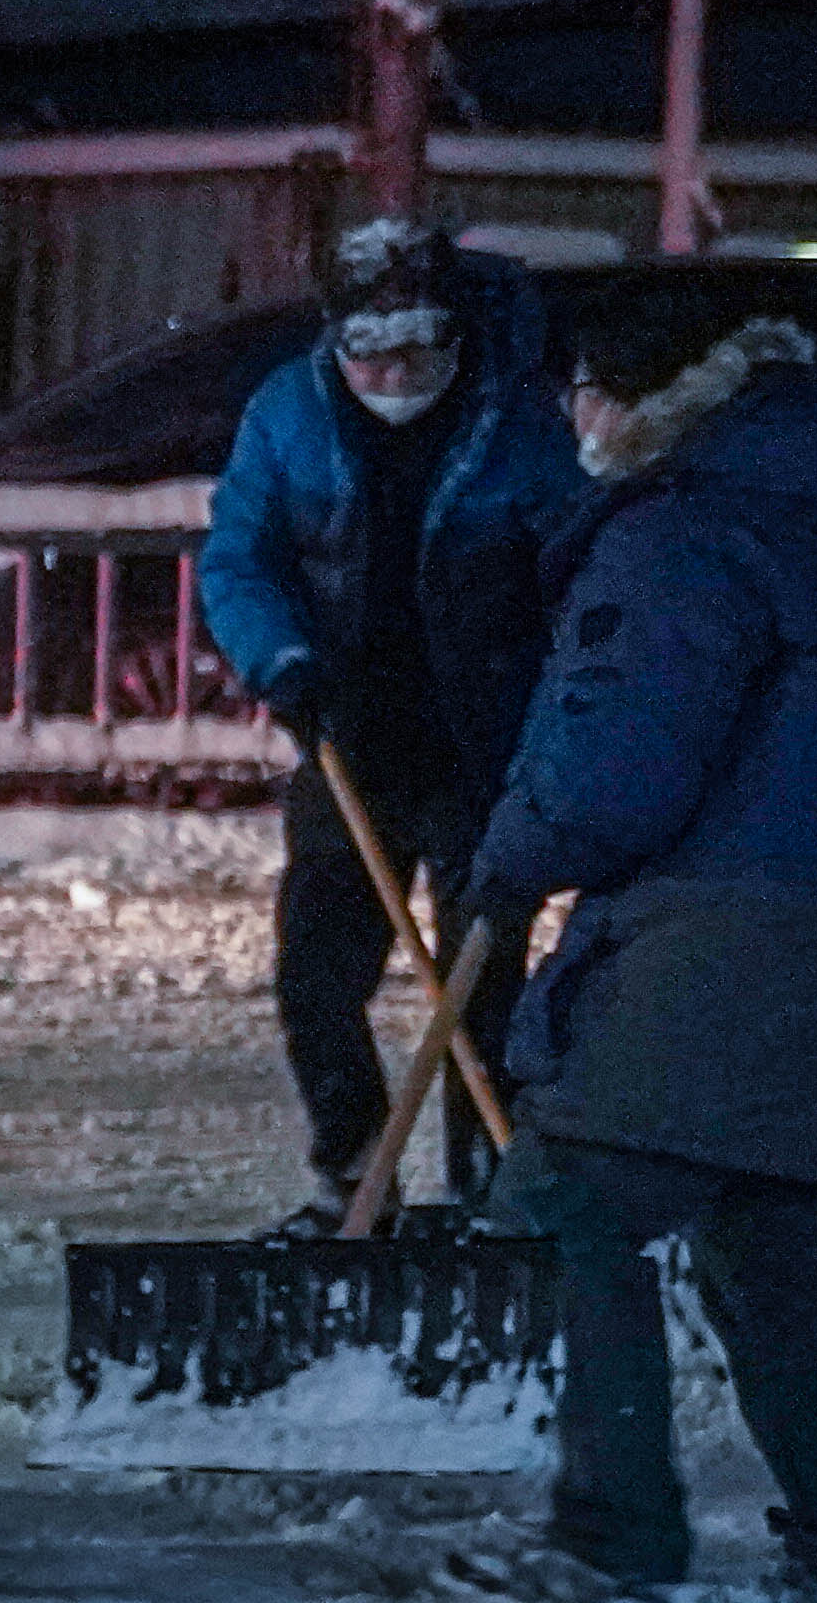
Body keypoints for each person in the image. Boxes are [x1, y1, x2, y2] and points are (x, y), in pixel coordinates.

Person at [460, 303, 817, 1603]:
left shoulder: (685, 534)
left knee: (566, 1198)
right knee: (779, 1240)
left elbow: (614, 765)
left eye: (587, 390)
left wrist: (514, 858)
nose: (573, 418)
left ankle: (615, 1547)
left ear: (654, 401)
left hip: (735, 934)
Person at [198, 218, 584, 1220]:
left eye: (418, 350)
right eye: (372, 353)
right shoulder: (288, 416)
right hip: (346, 736)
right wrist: (280, 660)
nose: (395, 374)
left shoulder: (522, 427)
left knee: (480, 980)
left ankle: (489, 1181)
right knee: (317, 973)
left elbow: (575, 575)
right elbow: (241, 557)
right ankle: (352, 1171)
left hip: (481, 745)